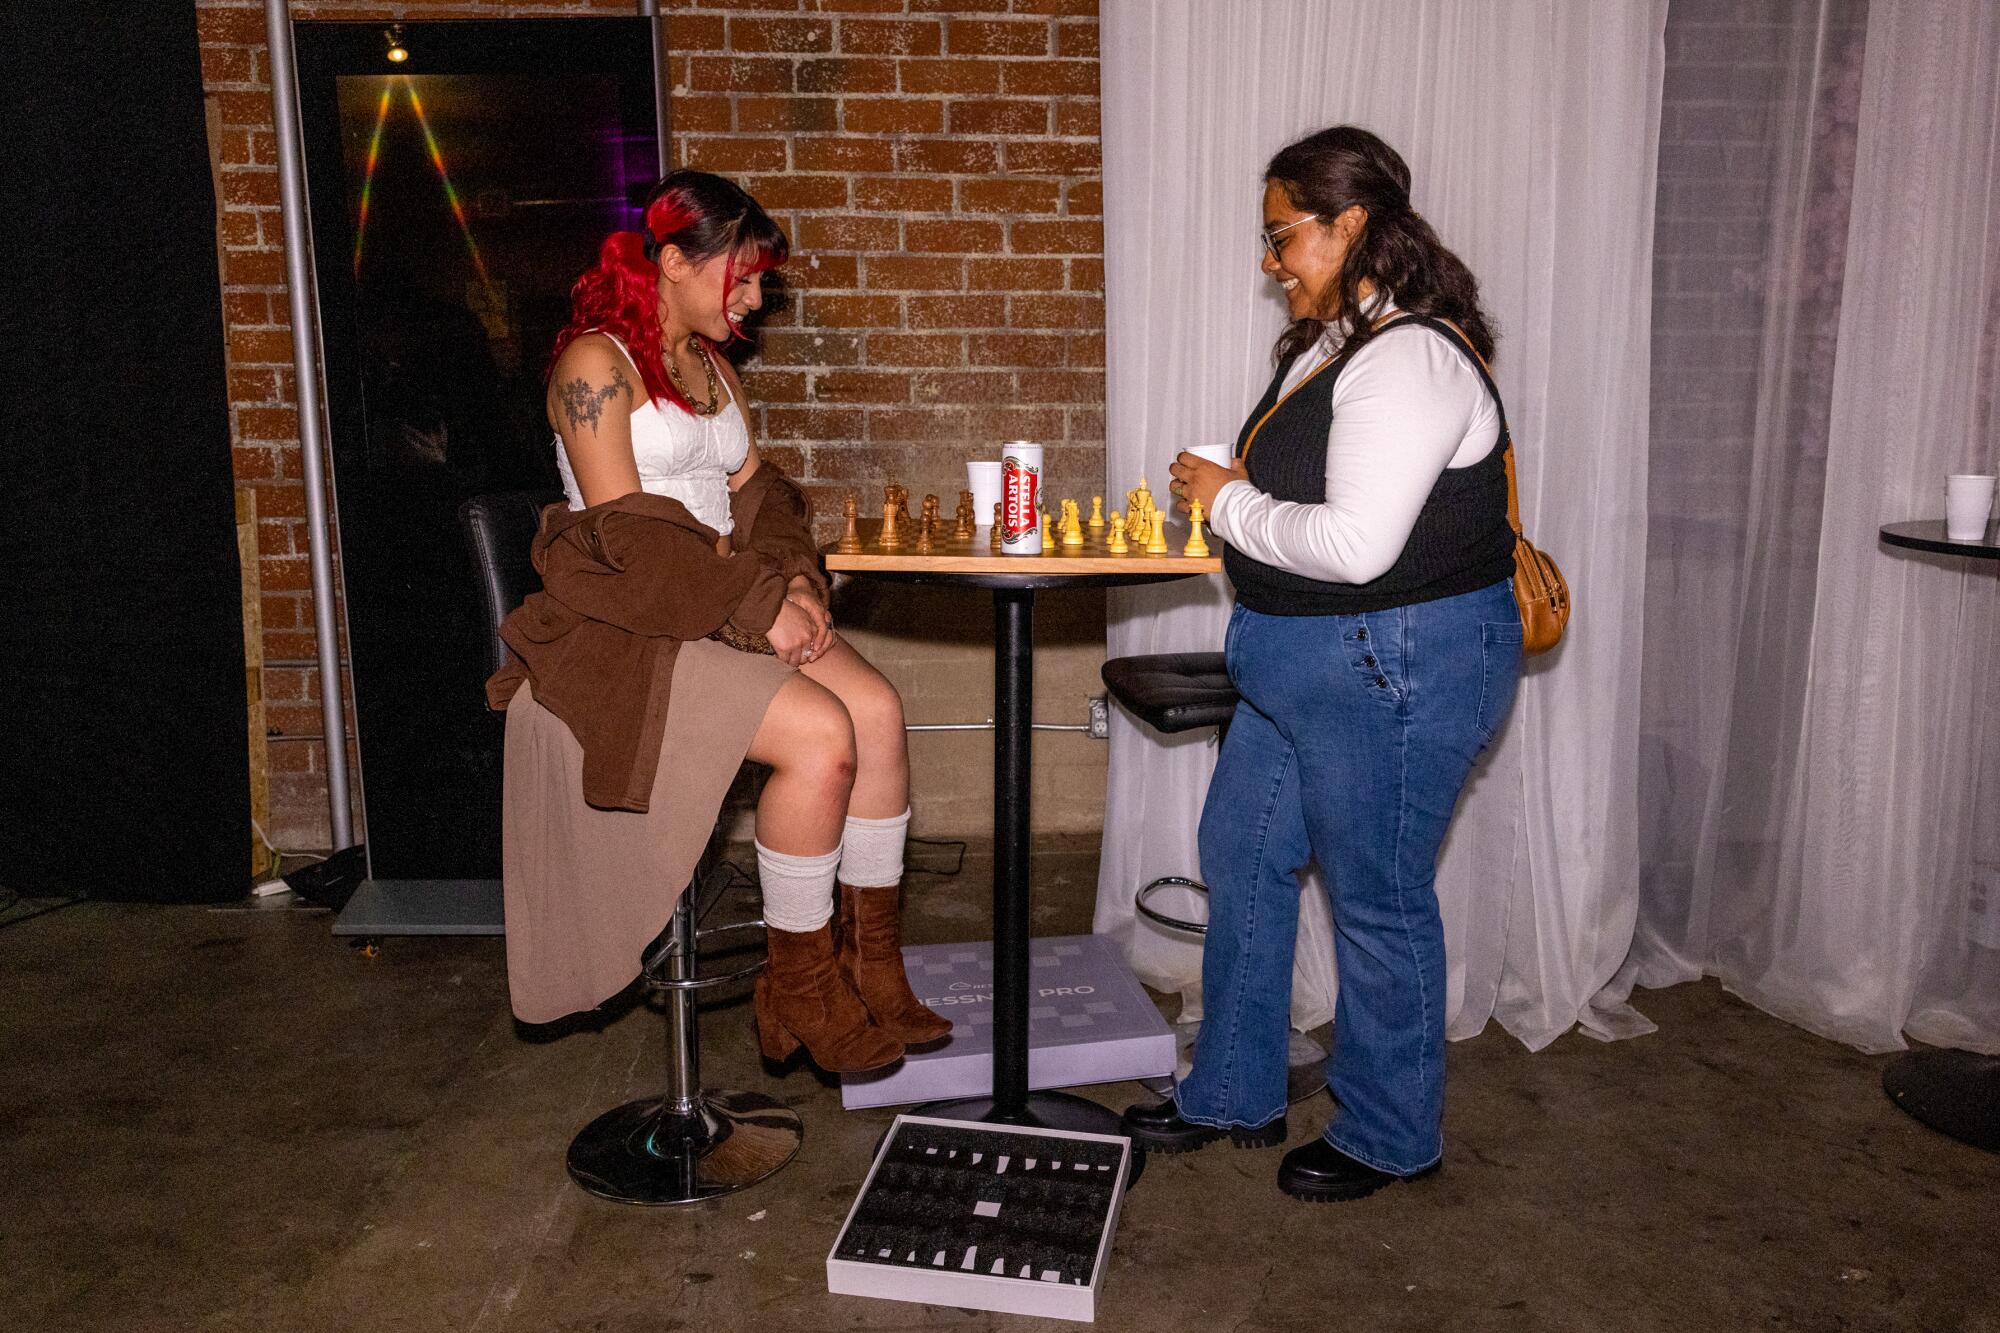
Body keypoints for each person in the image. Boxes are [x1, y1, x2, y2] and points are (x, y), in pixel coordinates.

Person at [1123, 126, 1524, 1201]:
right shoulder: (1329, 345)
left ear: (1348, 226)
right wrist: (1233, 484)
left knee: (1375, 894)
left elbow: (1355, 548)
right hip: (1301, 664)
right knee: (1241, 850)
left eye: (1280, 236)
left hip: (1393, 661)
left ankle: (1393, 1132)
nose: (1269, 261)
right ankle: (1232, 1086)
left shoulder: (1411, 357)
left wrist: (1226, 500)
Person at [486, 170, 950, 1073]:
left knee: (880, 714)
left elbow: (757, 497)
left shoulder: (714, 369)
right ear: (670, 260)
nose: (755, 293)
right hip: (634, 617)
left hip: (733, 600)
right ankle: (800, 981)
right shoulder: (593, 366)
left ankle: (870, 963)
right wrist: (759, 603)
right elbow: (627, 539)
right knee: (823, 736)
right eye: (741, 273)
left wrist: (796, 582)